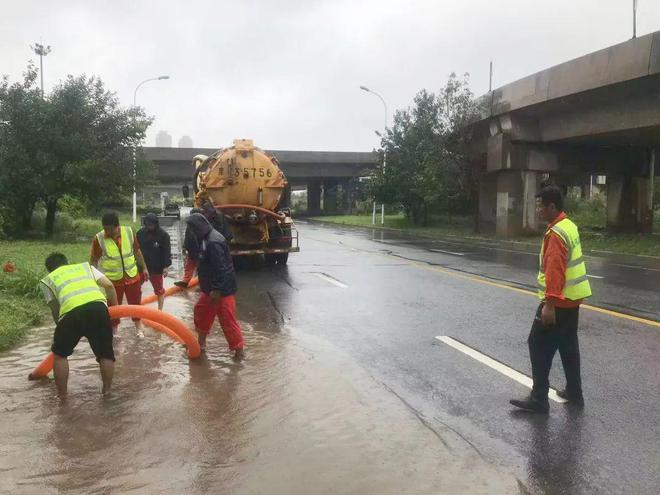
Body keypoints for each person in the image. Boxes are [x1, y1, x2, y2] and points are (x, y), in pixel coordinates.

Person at [510, 185, 592, 414]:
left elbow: (555, 269)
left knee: (536, 343)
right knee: (568, 345)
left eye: (540, 205)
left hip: (559, 301)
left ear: (552, 206)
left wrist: (550, 304)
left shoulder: (556, 234)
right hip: (572, 300)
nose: (537, 210)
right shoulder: (569, 226)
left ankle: (539, 399)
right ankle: (575, 392)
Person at [38, 252, 119, 399]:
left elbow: (54, 307)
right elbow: (109, 285)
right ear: (67, 262)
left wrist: (61, 325)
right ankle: (107, 392)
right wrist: (116, 309)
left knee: (60, 355)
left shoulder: (48, 280)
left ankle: (63, 398)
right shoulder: (85, 267)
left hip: (70, 313)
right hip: (98, 309)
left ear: (49, 269)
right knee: (105, 353)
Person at [186, 212, 244, 359]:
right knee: (201, 312)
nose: (190, 232)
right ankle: (201, 344)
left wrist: (217, 290)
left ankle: (239, 352)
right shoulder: (204, 238)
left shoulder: (214, 241)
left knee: (227, 321)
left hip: (221, 291)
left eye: (191, 228)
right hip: (210, 289)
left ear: (198, 227)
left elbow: (221, 268)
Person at [90, 212, 149, 333]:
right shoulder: (99, 238)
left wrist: (144, 268)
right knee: (113, 306)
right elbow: (94, 259)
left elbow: (137, 251)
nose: (109, 232)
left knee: (136, 304)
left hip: (132, 276)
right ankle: (114, 331)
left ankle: (138, 329)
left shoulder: (129, 232)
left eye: (111, 229)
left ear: (118, 226)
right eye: (106, 229)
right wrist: (92, 278)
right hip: (112, 281)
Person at [136, 213, 172, 310]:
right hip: (141, 267)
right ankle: (136, 309)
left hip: (156, 268)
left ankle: (160, 311)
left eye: (151, 224)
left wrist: (165, 267)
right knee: (135, 288)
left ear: (156, 224)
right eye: (147, 224)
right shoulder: (140, 233)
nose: (149, 226)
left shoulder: (164, 235)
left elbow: (167, 252)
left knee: (159, 290)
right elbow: (136, 250)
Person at [175, 207, 202, 288]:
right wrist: (185, 247)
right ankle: (185, 282)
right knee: (189, 267)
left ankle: (203, 282)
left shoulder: (202, 226)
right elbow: (187, 237)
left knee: (201, 268)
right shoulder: (190, 225)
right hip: (191, 251)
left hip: (200, 253)